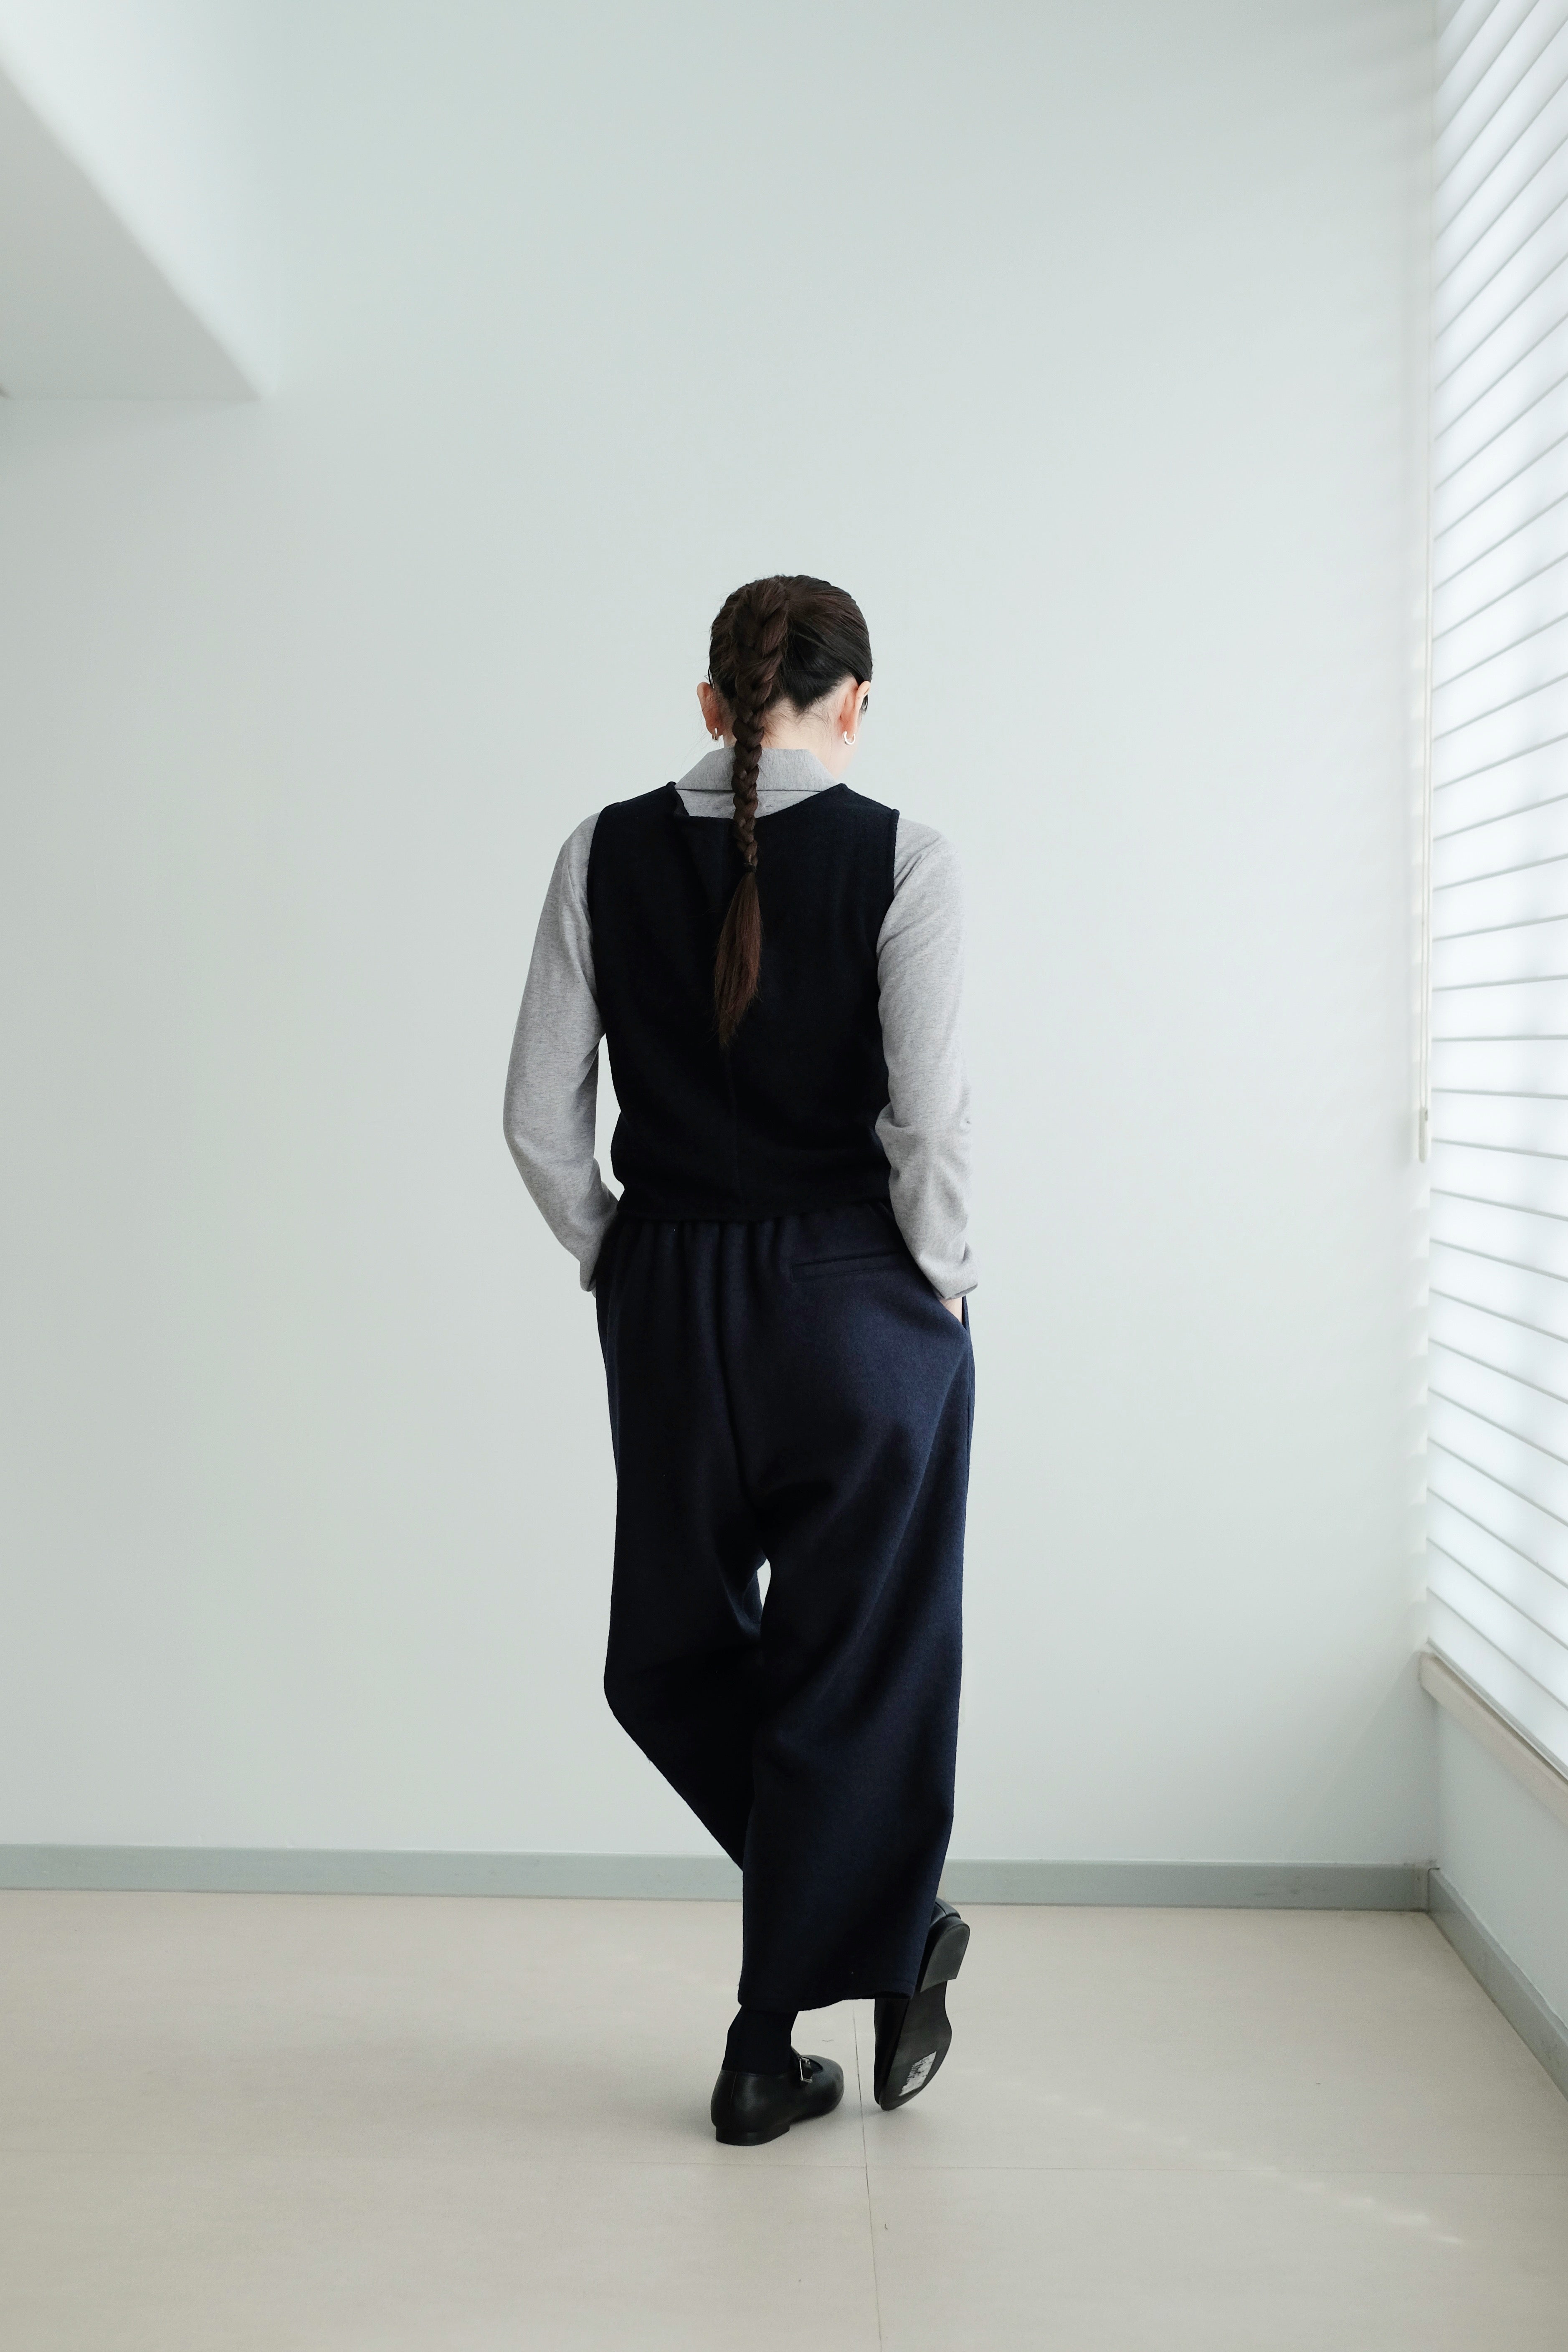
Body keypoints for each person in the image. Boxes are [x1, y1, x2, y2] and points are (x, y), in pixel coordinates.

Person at [504, 574, 976, 2146]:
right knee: (860, 1662)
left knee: (670, 1656)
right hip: (859, 1298)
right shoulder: (905, 858)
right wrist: (941, 1293)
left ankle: (768, 2040)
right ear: (855, 705)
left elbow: (538, 1119)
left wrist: (619, 1253)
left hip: (670, 1291)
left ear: (711, 704)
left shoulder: (600, 850)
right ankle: (878, 1949)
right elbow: (926, 1125)